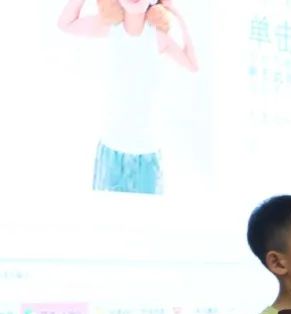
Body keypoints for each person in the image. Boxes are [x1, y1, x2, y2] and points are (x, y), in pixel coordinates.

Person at [56, 0, 198, 195]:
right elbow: (65, 24)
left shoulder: (158, 36)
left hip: (147, 152)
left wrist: (178, 15)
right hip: (112, 148)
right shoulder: (109, 27)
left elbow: (192, 65)